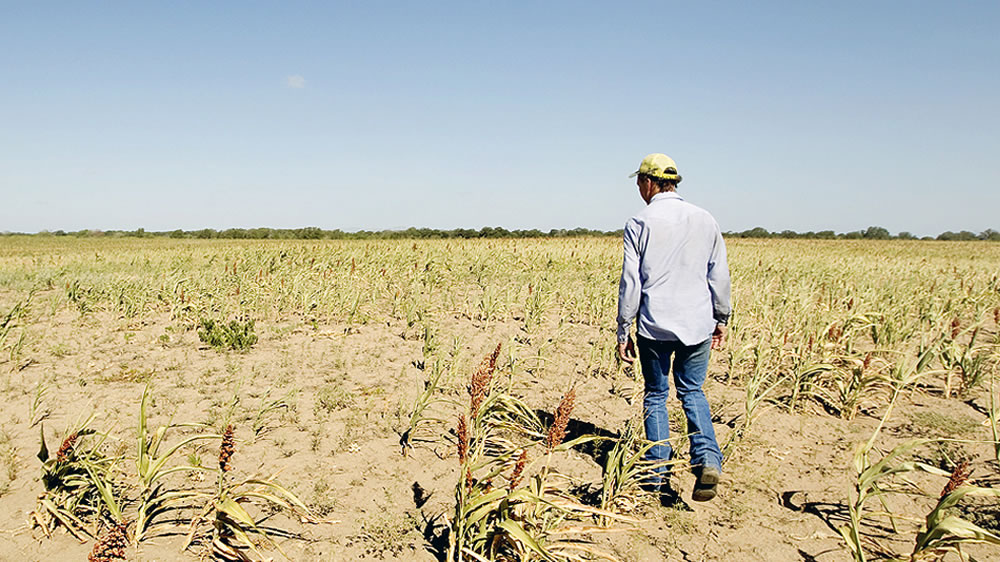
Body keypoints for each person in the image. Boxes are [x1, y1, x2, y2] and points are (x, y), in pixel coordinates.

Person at [616, 153, 731, 503]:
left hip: (655, 326)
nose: (638, 187)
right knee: (692, 391)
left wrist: (623, 328)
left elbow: (631, 283)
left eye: (639, 181)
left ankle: (655, 473)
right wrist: (721, 317)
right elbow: (719, 274)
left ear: (649, 182)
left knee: (655, 395)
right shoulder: (704, 218)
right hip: (697, 323)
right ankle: (707, 460)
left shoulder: (639, 222)